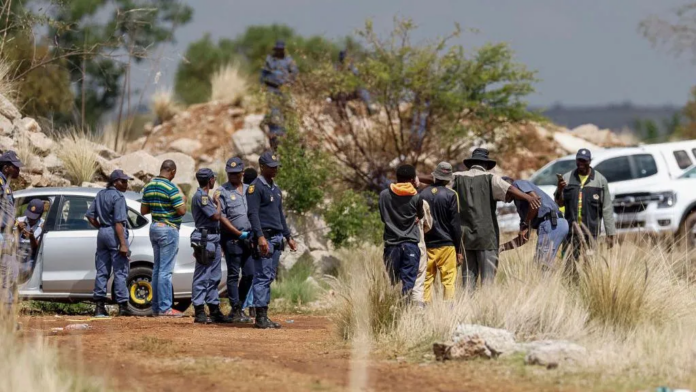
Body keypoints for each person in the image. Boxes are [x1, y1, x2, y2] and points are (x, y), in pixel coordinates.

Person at [453, 148, 541, 289]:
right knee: (488, 281)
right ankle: (486, 308)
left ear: (471, 163)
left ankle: (466, 308)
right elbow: (510, 190)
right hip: (487, 237)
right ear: (486, 165)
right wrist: (528, 198)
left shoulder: (457, 177)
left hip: (465, 236)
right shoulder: (491, 178)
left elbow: (436, 180)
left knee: (468, 279)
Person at [247, 151, 297, 329]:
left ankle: (264, 315)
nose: (275, 170)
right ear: (262, 167)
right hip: (264, 238)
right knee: (262, 277)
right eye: (271, 167)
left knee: (268, 277)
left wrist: (288, 236)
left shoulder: (276, 190)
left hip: (276, 239)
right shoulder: (255, 188)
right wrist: (260, 237)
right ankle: (260, 317)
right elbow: (252, 214)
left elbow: (280, 216)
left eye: (276, 167)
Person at [140, 160, 187, 317]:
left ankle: (156, 307)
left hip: (155, 228)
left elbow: (143, 210)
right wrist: (184, 201)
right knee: (165, 271)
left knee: (157, 270)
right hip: (168, 229)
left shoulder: (149, 185)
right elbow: (181, 211)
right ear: (172, 171)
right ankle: (166, 308)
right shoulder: (171, 187)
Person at [85, 170, 133, 317]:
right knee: (120, 271)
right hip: (115, 233)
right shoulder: (118, 197)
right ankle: (123, 306)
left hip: (103, 234)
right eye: (123, 181)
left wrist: (102, 228)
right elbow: (119, 222)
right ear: (115, 182)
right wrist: (123, 244)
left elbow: (90, 216)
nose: (126, 184)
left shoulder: (100, 194)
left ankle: (99, 306)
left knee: (102, 271)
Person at [554, 149, 616, 263]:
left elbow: (607, 209)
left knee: (590, 264)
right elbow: (559, 203)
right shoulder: (567, 178)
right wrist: (560, 189)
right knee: (569, 263)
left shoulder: (600, 180)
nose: (581, 163)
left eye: (584, 160)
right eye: (578, 160)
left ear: (590, 161)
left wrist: (610, 233)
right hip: (570, 231)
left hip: (591, 232)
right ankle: (569, 281)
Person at [215, 157, 254, 323]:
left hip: (249, 238)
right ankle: (236, 309)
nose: (233, 177)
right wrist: (237, 233)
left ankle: (240, 305)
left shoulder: (249, 189)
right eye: (230, 174)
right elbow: (221, 217)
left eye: (236, 174)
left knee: (250, 274)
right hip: (232, 239)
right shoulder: (222, 191)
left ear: (242, 173)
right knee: (233, 275)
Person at [190, 168, 231, 324]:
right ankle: (199, 310)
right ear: (210, 180)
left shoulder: (204, 197)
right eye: (213, 178)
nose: (214, 181)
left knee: (214, 275)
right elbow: (215, 215)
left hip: (213, 237)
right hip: (205, 238)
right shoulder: (202, 197)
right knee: (202, 275)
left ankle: (214, 309)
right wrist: (218, 202)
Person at [499, 177, 569, 267]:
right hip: (555, 224)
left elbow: (535, 201)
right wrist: (501, 248)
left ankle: (547, 281)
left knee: (542, 264)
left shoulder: (517, 183)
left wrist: (525, 224)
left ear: (508, 188)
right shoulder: (521, 206)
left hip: (551, 224)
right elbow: (523, 239)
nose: (500, 197)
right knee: (541, 263)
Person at [378, 164, 425, 298]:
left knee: (393, 283)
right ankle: (406, 313)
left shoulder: (384, 195)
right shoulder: (417, 197)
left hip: (391, 245)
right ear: (412, 180)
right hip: (410, 245)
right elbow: (420, 215)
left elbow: (383, 218)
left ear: (397, 177)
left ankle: (393, 311)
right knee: (408, 284)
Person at [420, 162, 462, 302]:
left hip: (427, 244)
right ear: (447, 178)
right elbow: (455, 224)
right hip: (447, 245)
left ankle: (424, 311)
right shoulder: (451, 194)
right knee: (448, 281)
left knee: (426, 280)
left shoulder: (422, 193)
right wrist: (459, 249)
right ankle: (448, 312)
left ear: (435, 176)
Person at [260, 40, 298, 149]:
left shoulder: (289, 61)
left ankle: (286, 136)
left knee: (288, 113)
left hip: (284, 90)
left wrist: (288, 82)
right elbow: (263, 75)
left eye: (281, 49)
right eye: (278, 49)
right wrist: (264, 85)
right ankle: (275, 136)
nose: (279, 51)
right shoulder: (270, 60)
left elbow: (295, 73)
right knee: (274, 113)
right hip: (272, 89)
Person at [0, 151, 22, 312]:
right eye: (15, 167)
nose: (18, 171)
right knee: (6, 274)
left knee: (11, 273)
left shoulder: (5, 185)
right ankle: (6, 316)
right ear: (6, 167)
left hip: (6, 235)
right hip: (2, 235)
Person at [15, 199, 46, 285]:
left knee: (27, 269)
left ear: (40, 216)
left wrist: (31, 237)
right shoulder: (18, 221)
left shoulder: (43, 225)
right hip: (16, 254)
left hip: (30, 257)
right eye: (29, 216)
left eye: (33, 218)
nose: (30, 219)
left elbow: (36, 250)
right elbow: (10, 241)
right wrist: (17, 230)